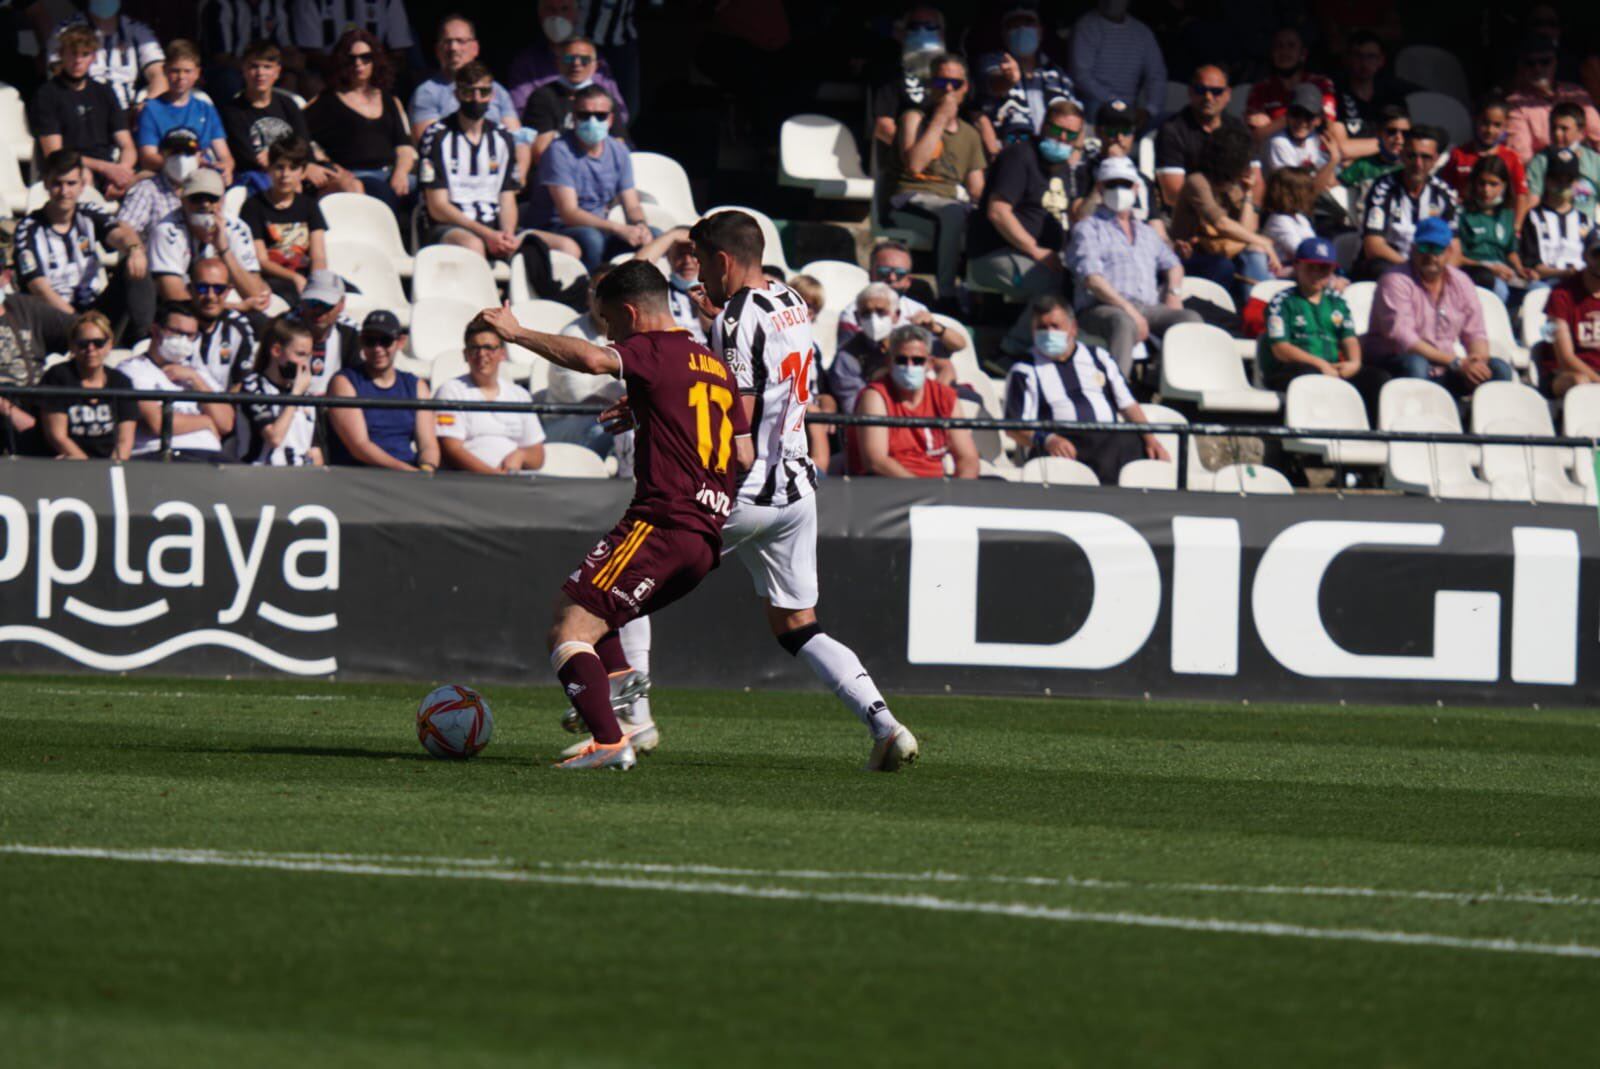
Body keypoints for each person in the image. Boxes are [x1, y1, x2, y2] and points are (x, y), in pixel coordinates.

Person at [477, 261, 753, 771]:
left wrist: (516, 333)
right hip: (706, 538)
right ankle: (620, 684)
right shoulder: (713, 364)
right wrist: (654, 408)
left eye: (609, 322)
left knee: (568, 630)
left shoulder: (652, 348)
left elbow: (591, 359)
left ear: (629, 312)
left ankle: (609, 739)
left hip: (663, 522)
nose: (608, 333)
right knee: (586, 612)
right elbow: (743, 456)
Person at [686, 209, 917, 767]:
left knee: (637, 581)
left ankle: (627, 721)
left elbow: (737, 416)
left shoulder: (734, 321)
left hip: (748, 488)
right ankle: (885, 725)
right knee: (797, 625)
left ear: (721, 260)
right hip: (796, 487)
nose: (698, 275)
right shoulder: (788, 299)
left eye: (701, 262)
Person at [1003, 295, 1167, 483]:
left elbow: (1128, 405)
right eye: (1041, 328)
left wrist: (1151, 440)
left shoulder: (1099, 358)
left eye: (1055, 326)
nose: (1048, 333)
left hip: (1108, 439)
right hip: (1062, 444)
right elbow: (1014, 428)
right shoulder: (1024, 370)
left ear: (1073, 328)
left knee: (1133, 443)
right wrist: (1048, 440)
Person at [1068, 155, 1198, 376]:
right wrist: (1128, 310)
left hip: (1146, 307)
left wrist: (1173, 293)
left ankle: (1169, 386)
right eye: (1112, 184)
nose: (1119, 190)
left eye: (1125, 184)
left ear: (1136, 188)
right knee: (1123, 322)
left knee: (1189, 320)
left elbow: (1173, 264)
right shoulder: (1088, 228)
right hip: (1100, 308)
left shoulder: (1147, 232)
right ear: (1100, 187)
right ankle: (1118, 393)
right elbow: (1092, 278)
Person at [1363, 216, 1512, 395]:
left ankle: (1477, 421)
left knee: (1498, 368)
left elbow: (1475, 333)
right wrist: (1457, 363)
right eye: (1425, 248)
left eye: (1437, 249)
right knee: (1416, 364)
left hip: (1444, 364)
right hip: (1395, 359)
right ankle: (1415, 420)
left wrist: (1477, 361)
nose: (1431, 256)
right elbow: (1404, 339)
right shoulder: (1394, 281)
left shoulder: (1462, 282)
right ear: (1413, 249)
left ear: (1449, 252)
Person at [891, 53, 986, 301]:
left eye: (955, 84)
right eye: (941, 83)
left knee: (983, 215)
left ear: (966, 87)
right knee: (954, 213)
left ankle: (977, 292)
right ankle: (946, 294)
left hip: (951, 202)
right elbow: (915, 164)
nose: (948, 90)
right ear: (930, 86)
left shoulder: (970, 134)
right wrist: (940, 118)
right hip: (911, 199)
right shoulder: (914, 118)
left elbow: (977, 188)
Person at [968, 98, 1080, 303]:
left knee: (1080, 286)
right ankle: (1020, 336)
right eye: (1057, 130)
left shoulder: (1064, 168)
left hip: (1045, 257)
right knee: (1052, 287)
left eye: (1071, 134)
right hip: (998, 253)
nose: (1063, 138)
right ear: (1043, 126)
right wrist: (1035, 250)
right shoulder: (1019, 156)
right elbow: (998, 212)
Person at [529, 84, 652, 268]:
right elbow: (569, 214)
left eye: (600, 115)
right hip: (557, 227)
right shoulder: (559, 151)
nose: (592, 121)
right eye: (584, 115)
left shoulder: (619, 150)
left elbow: (632, 203)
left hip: (602, 227)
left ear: (610, 120)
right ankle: (591, 292)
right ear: (574, 118)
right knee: (592, 240)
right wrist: (619, 229)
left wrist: (641, 225)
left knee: (654, 237)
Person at [14, 150, 146, 318]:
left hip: (94, 309)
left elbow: (119, 233)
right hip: (53, 315)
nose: (64, 191)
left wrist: (135, 249)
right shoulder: (29, 228)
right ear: (45, 183)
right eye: (57, 184)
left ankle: (141, 338)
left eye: (71, 184)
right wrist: (78, 321)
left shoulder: (89, 214)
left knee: (137, 264)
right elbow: (38, 287)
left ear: (82, 185)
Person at [302, 29, 416, 211]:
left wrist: (401, 173)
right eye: (351, 59)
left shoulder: (388, 99)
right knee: (381, 192)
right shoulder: (328, 100)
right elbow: (298, 134)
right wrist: (316, 162)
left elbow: (403, 146)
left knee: (427, 190)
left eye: (365, 57)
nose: (358, 64)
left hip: (391, 172)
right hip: (355, 177)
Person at [222, 40, 354, 196]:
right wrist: (293, 167)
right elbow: (249, 157)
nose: (260, 73)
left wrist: (304, 166)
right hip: (263, 177)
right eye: (254, 66)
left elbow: (303, 142)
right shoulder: (233, 111)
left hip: (297, 168)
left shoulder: (288, 104)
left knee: (349, 184)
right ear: (243, 70)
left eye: (267, 67)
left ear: (277, 72)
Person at [852, 324, 978, 480]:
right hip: (887, 488)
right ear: (889, 362)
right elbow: (876, 461)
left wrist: (959, 495)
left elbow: (968, 458)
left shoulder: (945, 397)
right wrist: (923, 493)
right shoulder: (875, 396)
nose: (909, 366)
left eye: (918, 360)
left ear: (930, 364)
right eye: (901, 360)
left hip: (937, 490)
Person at [1259, 238, 1380, 400]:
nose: (1316, 274)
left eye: (1324, 269)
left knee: (1378, 379)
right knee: (1311, 376)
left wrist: (1354, 363)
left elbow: (1349, 338)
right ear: (1296, 265)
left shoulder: (1337, 302)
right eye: (1310, 267)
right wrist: (1320, 364)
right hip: (1291, 370)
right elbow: (1281, 349)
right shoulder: (1281, 302)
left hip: (1331, 368)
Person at [1170, 125, 1278, 303]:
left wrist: (1248, 193)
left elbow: (1245, 231)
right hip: (1190, 255)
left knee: (1253, 252)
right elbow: (1221, 223)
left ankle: (1259, 309)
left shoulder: (1233, 187)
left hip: (1223, 252)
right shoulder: (1197, 182)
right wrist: (1263, 242)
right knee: (1226, 264)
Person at [31, 24, 137, 198]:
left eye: (84, 54)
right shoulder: (47, 94)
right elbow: (54, 153)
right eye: (73, 53)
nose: (78, 61)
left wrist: (121, 173)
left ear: (93, 57)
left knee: (148, 180)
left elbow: (127, 145)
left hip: (109, 172)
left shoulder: (105, 92)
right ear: (61, 54)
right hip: (70, 169)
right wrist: (105, 168)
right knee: (82, 178)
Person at [120, 300, 236, 460]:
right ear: (155, 330)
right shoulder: (132, 369)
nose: (183, 340)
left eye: (190, 335)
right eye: (176, 332)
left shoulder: (198, 371)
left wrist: (195, 380)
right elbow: (158, 423)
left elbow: (226, 424)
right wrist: (206, 421)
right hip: (162, 455)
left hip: (210, 456)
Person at [434, 316, 547, 475]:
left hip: (516, 483)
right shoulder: (450, 391)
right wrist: (494, 477)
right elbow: (451, 449)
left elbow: (538, 456)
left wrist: (520, 455)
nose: (481, 354)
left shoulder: (520, 395)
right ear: (466, 354)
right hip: (470, 484)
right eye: (475, 348)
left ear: (502, 354)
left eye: (489, 347)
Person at [327, 309, 437, 469]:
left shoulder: (416, 385)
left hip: (408, 475)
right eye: (370, 341)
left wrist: (427, 468)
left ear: (400, 342)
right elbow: (359, 446)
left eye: (385, 341)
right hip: (360, 477)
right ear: (361, 342)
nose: (377, 348)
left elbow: (428, 444)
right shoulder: (344, 382)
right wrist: (408, 473)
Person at [150, 168, 269, 307]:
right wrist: (235, 307)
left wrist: (224, 249)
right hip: (184, 312)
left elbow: (254, 294)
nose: (205, 205)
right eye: (197, 198)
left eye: (212, 199)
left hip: (220, 300)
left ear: (222, 201)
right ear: (183, 200)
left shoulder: (237, 229)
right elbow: (175, 297)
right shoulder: (166, 231)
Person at [410, 14, 525, 149]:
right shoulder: (427, 92)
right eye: (447, 42)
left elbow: (518, 141)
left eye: (460, 41)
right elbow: (429, 145)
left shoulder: (496, 90)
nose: (453, 47)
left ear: (475, 48)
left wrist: (518, 170)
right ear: (437, 50)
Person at [0, 243, 75, 450]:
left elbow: (83, 332)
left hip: (32, 405)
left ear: (5, 277)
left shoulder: (25, 309)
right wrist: (8, 410)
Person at [1359, 125, 1458, 277]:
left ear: (1436, 159)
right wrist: (1412, 269)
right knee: (1377, 267)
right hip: (1395, 265)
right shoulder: (1383, 188)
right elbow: (1373, 245)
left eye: (1426, 157)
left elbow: (1454, 249)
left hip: (1431, 267)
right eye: (1412, 156)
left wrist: (1433, 270)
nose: (1418, 164)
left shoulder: (1445, 193)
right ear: (1402, 155)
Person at [506, 0, 629, 122]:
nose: (557, 16)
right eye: (550, 9)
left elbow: (619, 113)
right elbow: (520, 112)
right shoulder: (526, 63)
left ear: (576, 14)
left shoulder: (594, 57)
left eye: (565, 9)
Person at [37, 310, 136, 460]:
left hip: (110, 464)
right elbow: (57, 436)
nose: (91, 349)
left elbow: (125, 441)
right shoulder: (57, 377)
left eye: (98, 343)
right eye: (83, 344)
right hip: (69, 463)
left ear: (109, 344)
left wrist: (112, 468)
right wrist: (90, 469)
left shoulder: (121, 382)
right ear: (72, 346)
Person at [240, 136, 328, 304]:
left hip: (306, 276)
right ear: (269, 169)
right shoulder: (253, 206)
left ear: (302, 172)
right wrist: (294, 278)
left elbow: (319, 256)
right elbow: (261, 260)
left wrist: (317, 283)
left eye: (292, 168)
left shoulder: (309, 206)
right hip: (273, 279)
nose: (285, 175)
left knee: (341, 294)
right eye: (279, 167)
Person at [521, 36, 633, 166]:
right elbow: (542, 153)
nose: (576, 64)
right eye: (569, 58)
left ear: (595, 66)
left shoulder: (604, 98)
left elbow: (620, 143)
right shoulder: (542, 97)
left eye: (585, 59)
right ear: (558, 62)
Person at [1154, 65, 1254, 208]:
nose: (1208, 97)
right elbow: (1173, 195)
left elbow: (1255, 183)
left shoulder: (1239, 128)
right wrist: (1217, 219)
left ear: (1228, 94)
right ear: (1190, 92)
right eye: (1201, 90)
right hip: (1188, 213)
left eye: (1216, 91)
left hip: (1234, 208)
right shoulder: (1172, 130)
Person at [135, 40, 233, 184]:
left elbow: (224, 154)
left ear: (197, 73)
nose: (181, 77)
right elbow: (147, 158)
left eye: (187, 71)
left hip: (201, 178)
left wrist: (226, 166)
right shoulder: (151, 109)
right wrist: (186, 163)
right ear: (165, 70)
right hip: (166, 178)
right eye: (175, 71)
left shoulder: (205, 109)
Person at [44, 0, 165, 112]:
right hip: (85, 113)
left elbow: (160, 77)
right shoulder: (65, 30)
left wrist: (144, 108)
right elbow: (57, 77)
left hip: (130, 112)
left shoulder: (138, 30)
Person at [234, 315, 322, 465]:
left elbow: (316, 452)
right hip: (261, 476)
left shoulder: (305, 395)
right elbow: (274, 437)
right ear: (276, 351)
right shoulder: (253, 386)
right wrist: (295, 395)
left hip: (301, 478)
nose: (305, 364)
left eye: (309, 356)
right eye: (300, 354)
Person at [1506, 35, 1600, 163]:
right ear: (1522, 67)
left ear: (1555, 63)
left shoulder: (1576, 93)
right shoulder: (1516, 103)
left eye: (1545, 62)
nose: (1537, 68)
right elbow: (1522, 158)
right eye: (1530, 63)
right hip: (1544, 174)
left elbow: (1598, 137)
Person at [1067, 0, 1165, 123]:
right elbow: (1081, 76)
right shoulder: (1086, 26)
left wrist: (1149, 110)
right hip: (1096, 102)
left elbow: (1156, 74)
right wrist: (1115, 102)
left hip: (1132, 106)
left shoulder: (1142, 32)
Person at [1245, 26, 1338, 149]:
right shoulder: (1260, 89)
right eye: (1279, 46)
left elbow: (1327, 126)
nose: (1284, 51)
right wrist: (1306, 114)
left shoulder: (1321, 84)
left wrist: (1276, 123)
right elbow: (1256, 137)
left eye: (1291, 46)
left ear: (1303, 53)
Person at [869, 5, 946, 146]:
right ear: (902, 34)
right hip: (910, 153)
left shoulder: (955, 70)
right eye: (914, 26)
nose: (922, 31)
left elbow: (973, 116)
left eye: (930, 26)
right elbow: (883, 126)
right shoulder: (889, 73)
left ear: (942, 33)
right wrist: (916, 154)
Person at [1538, 228, 1600, 396]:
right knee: (1580, 383)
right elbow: (1565, 358)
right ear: (1585, 255)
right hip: (1564, 374)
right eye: (1597, 254)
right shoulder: (1561, 295)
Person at [1456, 155, 1525, 305]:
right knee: (1500, 290)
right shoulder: (1462, 214)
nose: (1487, 190)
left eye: (1494, 184)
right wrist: (1488, 267)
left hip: (1502, 270)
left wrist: (1521, 270)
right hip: (1475, 270)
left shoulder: (1507, 215)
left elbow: (1510, 250)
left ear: (1504, 186)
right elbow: (1457, 257)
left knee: (1536, 289)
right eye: (1482, 183)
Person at [1332, 28, 1414, 152]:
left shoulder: (1393, 96)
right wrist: (1387, 144)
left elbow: (1402, 142)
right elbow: (1341, 149)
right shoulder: (1335, 95)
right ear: (1347, 58)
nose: (1364, 62)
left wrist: (1356, 148)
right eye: (1358, 56)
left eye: (1371, 56)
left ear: (1381, 60)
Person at [838, 240, 940, 336]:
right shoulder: (852, 314)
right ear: (870, 275)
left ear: (908, 281)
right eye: (884, 272)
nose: (892, 278)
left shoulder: (918, 311)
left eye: (900, 273)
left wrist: (937, 329)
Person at [1444, 94, 1528, 207]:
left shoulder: (1512, 158)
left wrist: (1516, 224)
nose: (1490, 130)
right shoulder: (1458, 154)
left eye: (1497, 125)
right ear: (1475, 120)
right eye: (1485, 123)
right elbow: (1445, 189)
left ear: (1506, 125)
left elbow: (1521, 196)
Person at [1524, 103, 1600, 225]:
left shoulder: (1595, 162)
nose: (1557, 134)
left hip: (1586, 230)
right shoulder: (1540, 161)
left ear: (1580, 132)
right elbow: (1532, 200)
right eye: (1553, 128)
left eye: (1564, 129)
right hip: (1551, 228)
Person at [292, 0, 413, 76]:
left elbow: (399, 51)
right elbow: (312, 53)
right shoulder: (311, 2)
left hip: (375, 73)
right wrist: (348, 72)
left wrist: (373, 70)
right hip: (330, 74)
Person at [635, 227, 713, 342]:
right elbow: (633, 271)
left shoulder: (716, 292)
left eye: (693, 254)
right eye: (680, 254)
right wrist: (671, 236)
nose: (687, 261)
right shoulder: (659, 293)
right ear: (668, 257)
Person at [1519, 158, 1589, 287]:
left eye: (1568, 180)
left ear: (1576, 184)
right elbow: (1532, 264)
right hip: (1546, 281)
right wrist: (1564, 273)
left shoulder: (1585, 220)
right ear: (1547, 181)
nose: (1562, 185)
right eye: (1557, 179)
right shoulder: (1533, 217)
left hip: (1582, 283)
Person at [291, 269, 357, 391]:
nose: (318, 311)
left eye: (327, 305)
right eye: (312, 303)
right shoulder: (283, 329)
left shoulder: (352, 334)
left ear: (341, 304)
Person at [1264, 82, 1338, 191]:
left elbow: (1330, 181)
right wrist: (1334, 159)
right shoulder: (1279, 142)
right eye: (1296, 113)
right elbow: (1302, 191)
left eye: (1308, 116)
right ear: (1287, 115)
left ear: (1318, 120)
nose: (1302, 122)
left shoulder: (1315, 139)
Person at [1261, 167, 1318, 266]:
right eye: (1307, 190)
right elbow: (1302, 251)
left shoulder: (1301, 218)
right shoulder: (1278, 221)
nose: (1311, 194)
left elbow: (1314, 246)